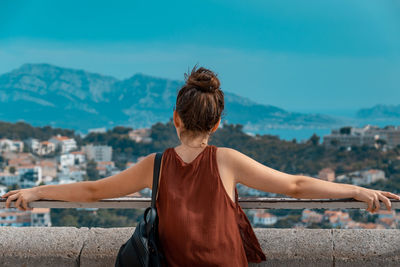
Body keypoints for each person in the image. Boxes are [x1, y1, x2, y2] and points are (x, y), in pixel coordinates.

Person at [2, 66, 400, 266]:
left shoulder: (154, 165)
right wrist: (358, 191)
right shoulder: (226, 161)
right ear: (218, 123)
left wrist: (36, 193)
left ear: (175, 118)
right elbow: (295, 186)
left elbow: (91, 191)